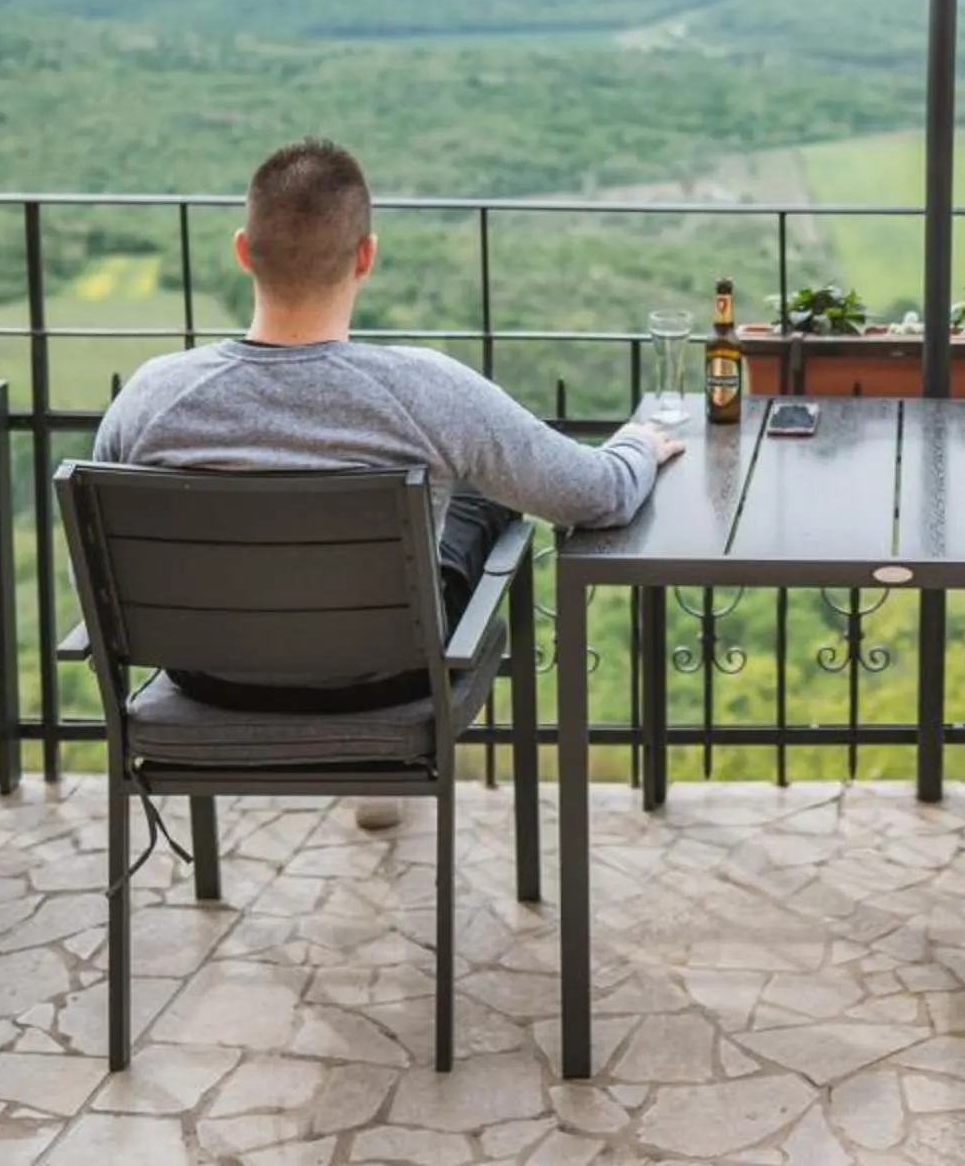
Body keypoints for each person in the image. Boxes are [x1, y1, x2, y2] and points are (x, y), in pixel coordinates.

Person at [92, 137, 684, 828]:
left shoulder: (149, 396)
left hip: (206, 676)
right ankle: (384, 774)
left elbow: (105, 568)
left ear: (243, 251)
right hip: (385, 682)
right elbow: (597, 495)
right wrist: (639, 444)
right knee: (478, 498)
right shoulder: (428, 391)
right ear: (366, 256)